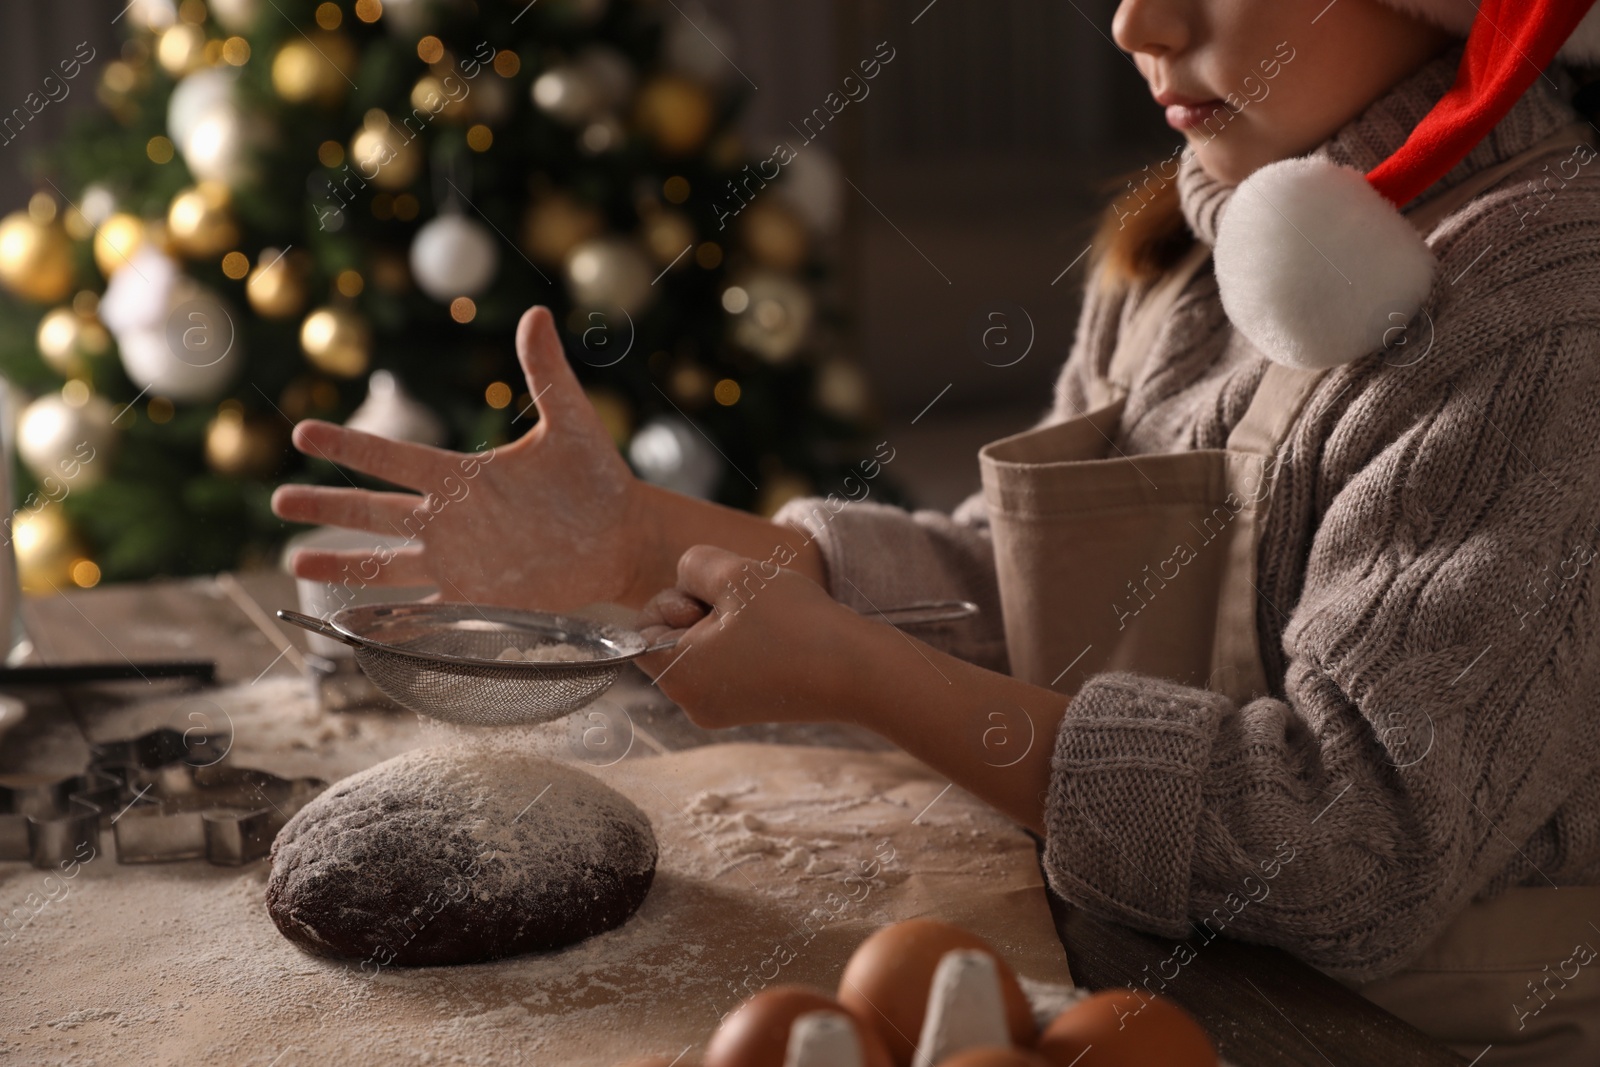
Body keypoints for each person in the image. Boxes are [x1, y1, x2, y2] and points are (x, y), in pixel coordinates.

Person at [273, 0, 1600, 1059]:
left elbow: (1353, 848)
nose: (1137, 24)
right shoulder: (1197, 246)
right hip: (1139, 982)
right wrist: (642, 541)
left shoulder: (1539, 319)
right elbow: (1027, 606)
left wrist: (856, 671)